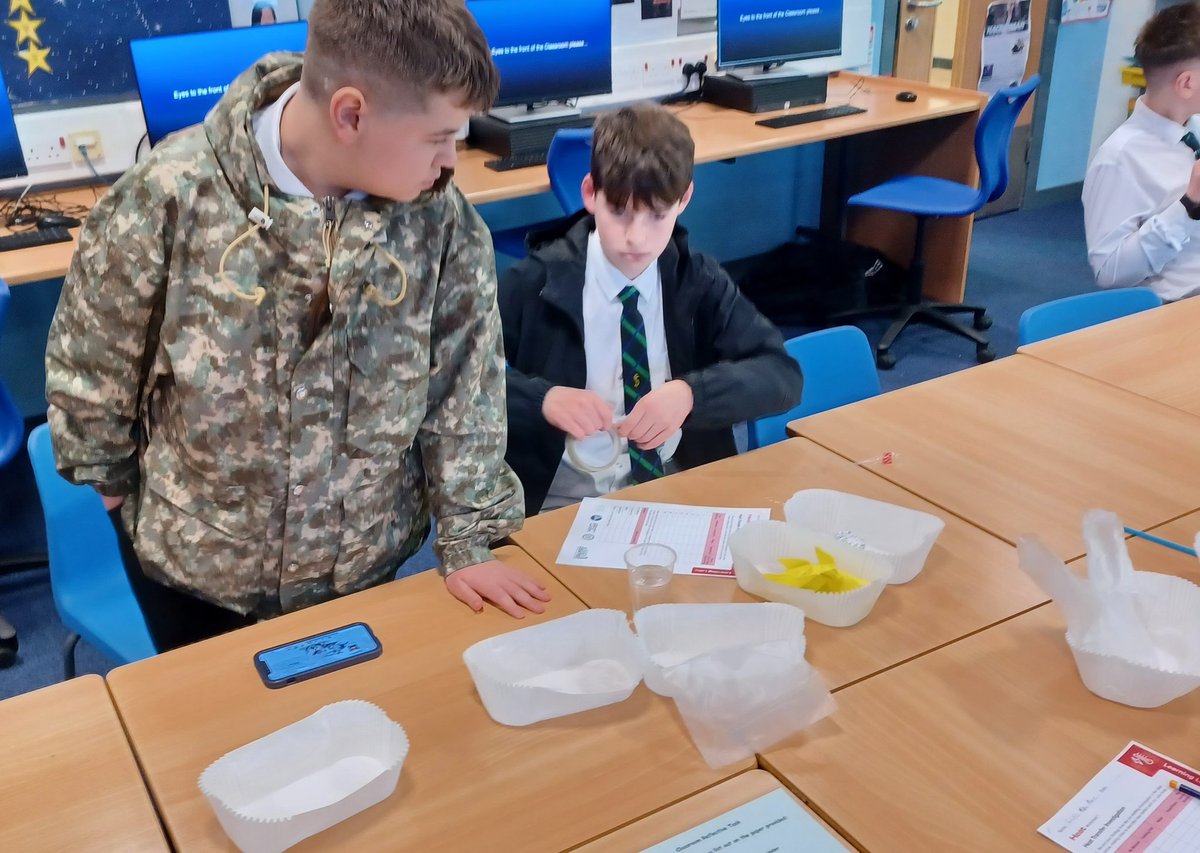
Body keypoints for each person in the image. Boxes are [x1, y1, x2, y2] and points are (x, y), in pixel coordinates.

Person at [45, 0, 549, 652]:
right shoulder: (170, 196)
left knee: (358, 736)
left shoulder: (439, 223)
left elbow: (464, 389)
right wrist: (109, 490)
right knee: (218, 742)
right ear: (351, 114)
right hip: (200, 580)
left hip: (364, 570)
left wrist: (470, 534)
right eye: (438, 137)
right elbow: (93, 366)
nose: (451, 161)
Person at [500, 103, 804, 516]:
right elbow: (459, 382)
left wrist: (690, 395)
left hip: (673, 488)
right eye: (619, 212)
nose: (636, 239)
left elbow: (782, 376)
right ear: (591, 193)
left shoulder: (697, 280)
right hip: (558, 504)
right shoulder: (532, 284)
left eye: (657, 216)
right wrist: (542, 399)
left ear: (684, 200)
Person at [1083, 1, 1200, 301]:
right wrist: (1189, 206)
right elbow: (1108, 272)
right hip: (1175, 309)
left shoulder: (1194, 125)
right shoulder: (1120, 159)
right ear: (1186, 84)